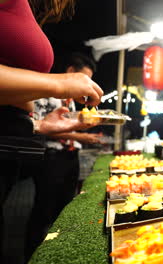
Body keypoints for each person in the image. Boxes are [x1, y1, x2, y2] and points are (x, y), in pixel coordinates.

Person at [0, 0, 102, 261]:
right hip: (46, 158)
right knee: (42, 211)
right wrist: (58, 84)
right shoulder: (58, 88)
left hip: (12, 148)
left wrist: (38, 125)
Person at [24, 53, 104, 260]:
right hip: (51, 157)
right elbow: (39, 126)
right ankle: (32, 254)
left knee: (66, 206)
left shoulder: (73, 99)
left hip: (71, 156)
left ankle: (59, 250)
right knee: (44, 208)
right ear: (70, 71)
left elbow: (67, 124)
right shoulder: (46, 90)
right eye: (83, 78)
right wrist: (81, 136)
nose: (86, 85)